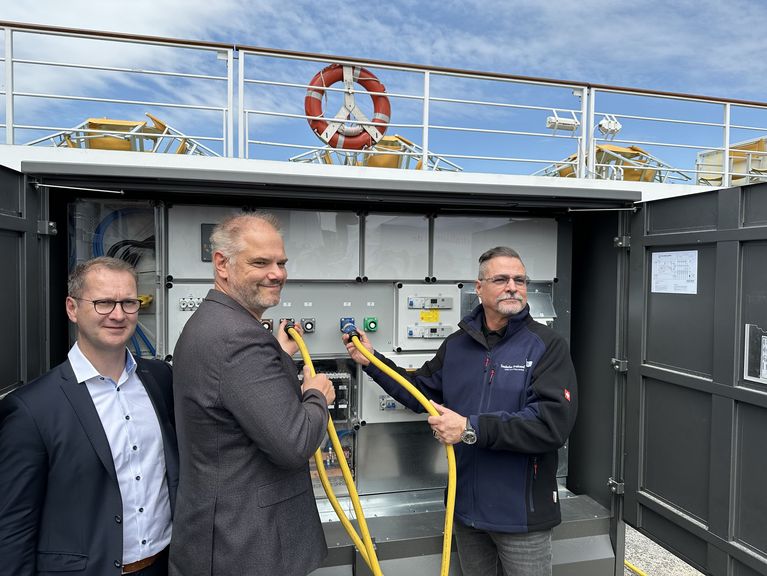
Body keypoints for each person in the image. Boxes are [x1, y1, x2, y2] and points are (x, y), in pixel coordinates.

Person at [342, 246, 577, 576]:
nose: (513, 286)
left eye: (520, 279)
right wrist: (374, 362)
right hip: (466, 512)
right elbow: (419, 392)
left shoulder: (547, 345)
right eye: (501, 279)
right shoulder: (457, 345)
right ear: (478, 287)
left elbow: (550, 423)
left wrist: (471, 427)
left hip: (522, 516)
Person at [169, 213, 335, 576]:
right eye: (260, 262)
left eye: (281, 262)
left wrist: (276, 352)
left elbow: (232, 389)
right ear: (222, 264)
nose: (277, 273)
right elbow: (293, 444)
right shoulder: (238, 339)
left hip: (224, 537)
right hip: (247, 545)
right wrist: (316, 395)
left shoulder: (214, 323)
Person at [0, 256, 177, 576]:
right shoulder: (31, 409)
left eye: (128, 302)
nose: (119, 314)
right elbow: (13, 528)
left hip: (164, 565)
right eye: (104, 303)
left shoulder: (160, 379)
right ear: (72, 308)